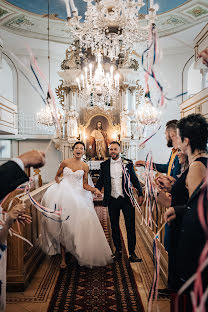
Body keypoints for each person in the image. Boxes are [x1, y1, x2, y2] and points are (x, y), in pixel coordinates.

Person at [41, 141, 113, 269]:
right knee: (63, 224)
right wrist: (60, 186)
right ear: (73, 150)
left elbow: (85, 185)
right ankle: (63, 258)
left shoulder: (85, 166)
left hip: (78, 195)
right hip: (63, 195)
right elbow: (57, 176)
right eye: (77, 148)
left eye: (81, 148)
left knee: (77, 225)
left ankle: (76, 251)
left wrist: (95, 190)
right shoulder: (65, 163)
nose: (79, 150)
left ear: (84, 151)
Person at [164, 114, 208, 310]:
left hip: (193, 242)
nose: (177, 144)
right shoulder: (199, 162)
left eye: (179, 139)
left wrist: (173, 207)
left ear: (187, 140)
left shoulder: (197, 166)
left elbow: (200, 210)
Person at [95, 141, 144, 262]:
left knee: (130, 226)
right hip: (112, 199)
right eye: (111, 149)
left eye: (115, 149)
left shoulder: (127, 163)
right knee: (114, 226)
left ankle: (132, 253)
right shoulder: (104, 165)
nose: (113, 151)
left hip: (126, 199)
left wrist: (140, 193)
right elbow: (100, 181)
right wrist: (94, 190)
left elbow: (134, 179)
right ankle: (118, 251)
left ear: (120, 150)